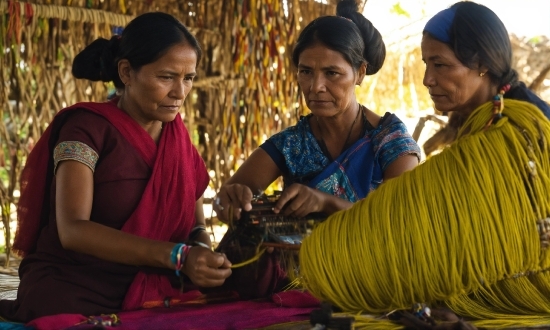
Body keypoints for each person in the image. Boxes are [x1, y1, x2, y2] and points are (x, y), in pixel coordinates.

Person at [298, 2, 550, 329]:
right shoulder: (484, 123)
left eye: (441, 64)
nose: (428, 79)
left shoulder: (519, 129)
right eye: (426, 64)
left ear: (483, 65)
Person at [0, 12, 231, 322]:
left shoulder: (177, 139)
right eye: (166, 77)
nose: (180, 92)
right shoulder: (86, 129)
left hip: (161, 281)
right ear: (126, 72)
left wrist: (204, 256)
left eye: (188, 78)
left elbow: (195, 225)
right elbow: (72, 230)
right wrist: (177, 256)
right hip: (80, 284)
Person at [215, 0, 420, 222]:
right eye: (306, 72)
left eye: (332, 73)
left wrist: (325, 202)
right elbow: (222, 202)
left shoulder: (389, 141)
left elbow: (400, 220)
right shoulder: (292, 144)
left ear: (360, 73)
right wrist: (231, 200)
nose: (315, 86)